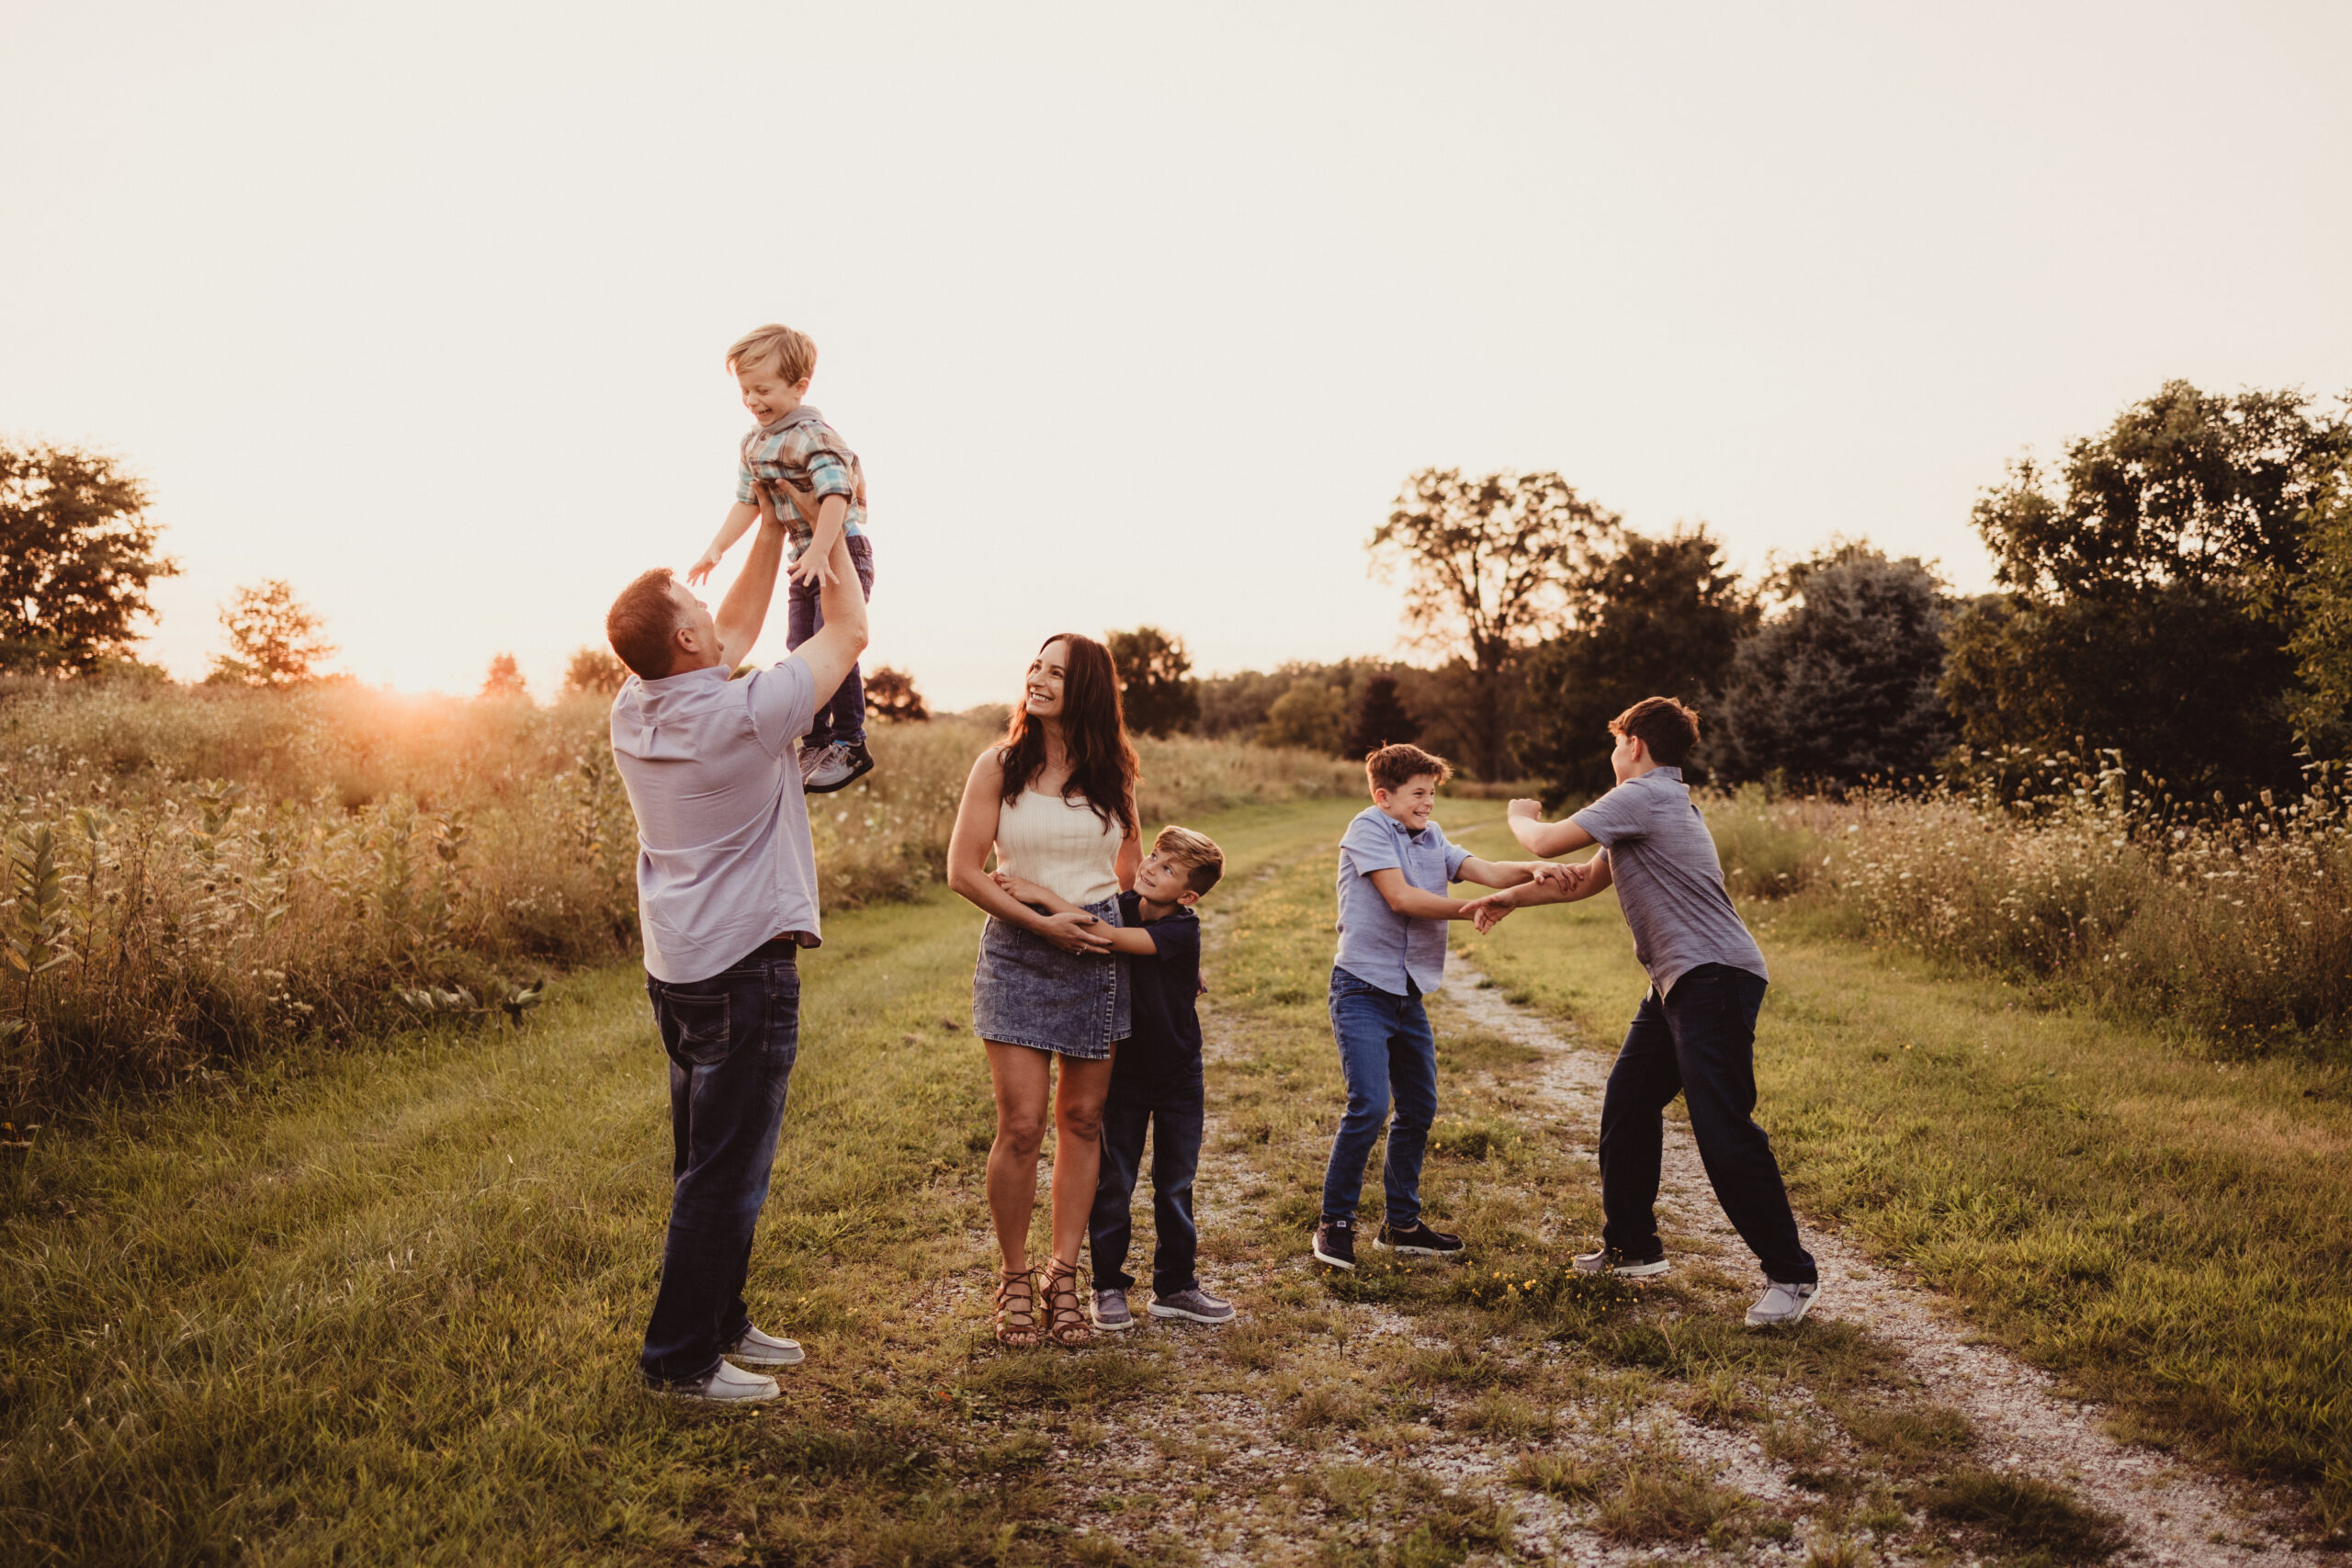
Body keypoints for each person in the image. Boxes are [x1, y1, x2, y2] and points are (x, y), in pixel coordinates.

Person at [602, 507, 869, 1403]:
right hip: (745, 970)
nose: (715, 613)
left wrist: (770, 516)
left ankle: (721, 1319)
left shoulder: (634, 708)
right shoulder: (749, 716)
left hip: (678, 968)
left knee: (702, 1159)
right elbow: (850, 631)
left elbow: (737, 630)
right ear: (686, 634)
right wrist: (827, 542)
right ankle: (679, 1359)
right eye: (698, 605)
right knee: (725, 1172)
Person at [1464, 696, 1821, 1327]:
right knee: (1627, 1103)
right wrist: (1512, 897)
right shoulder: (1655, 804)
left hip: (1712, 976)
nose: (1612, 752)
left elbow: (1545, 839)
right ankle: (1633, 1248)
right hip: (1678, 982)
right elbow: (1585, 877)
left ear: (1633, 744)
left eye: (1615, 741)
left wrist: (1519, 816)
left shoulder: (1645, 795)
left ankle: (1792, 1275)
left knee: (1724, 1127)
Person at [946, 634, 1140, 1348]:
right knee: (1023, 1125)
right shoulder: (999, 765)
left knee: (1084, 1120)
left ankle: (1065, 1275)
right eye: (1034, 665)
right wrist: (1043, 921)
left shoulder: (1115, 773)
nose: (1037, 678)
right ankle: (1015, 1277)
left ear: (1085, 687)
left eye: (1055, 672)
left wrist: (1160, 942)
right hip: (1020, 952)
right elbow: (964, 872)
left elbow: (1130, 876)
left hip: (1097, 952)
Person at [1311, 744, 1551, 1272]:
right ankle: (1336, 1221)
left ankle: (1401, 1226)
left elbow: (1484, 868)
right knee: (1370, 1105)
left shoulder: (1431, 836)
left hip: (1408, 994)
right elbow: (1401, 899)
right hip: (1361, 989)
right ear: (1385, 797)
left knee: (1418, 1108)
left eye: (1433, 794)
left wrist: (1541, 870)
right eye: (1419, 794)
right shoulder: (1368, 829)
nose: (1428, 803)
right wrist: (1470, 910)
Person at [997, 825, 1232, 1331]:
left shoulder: (1180, 929)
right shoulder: (1122, 903)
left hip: (1177, 1076)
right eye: (1153, 856)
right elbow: (1096, 917)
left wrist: (1038, 893)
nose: (1149, 866)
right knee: (1114, 1182)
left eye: (1167, 868)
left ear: (1188, 895)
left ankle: (1175, 1286)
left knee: (1175, 1182)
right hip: (1123, 1074)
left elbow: (1101, 933)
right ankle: (1107, 1288)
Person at [687, 323, 876, 795]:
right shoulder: (753, 443)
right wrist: (717, 547)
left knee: (831, 638)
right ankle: (817, 737)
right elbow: (747, 502)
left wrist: (819, 548)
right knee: (799, 644)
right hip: (802, 556)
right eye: (745, 391)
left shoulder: (813, 435)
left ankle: (851, 741)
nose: (753, 400)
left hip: (840, 551)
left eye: (763, 389)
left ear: (799, 386)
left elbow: (836, 494)